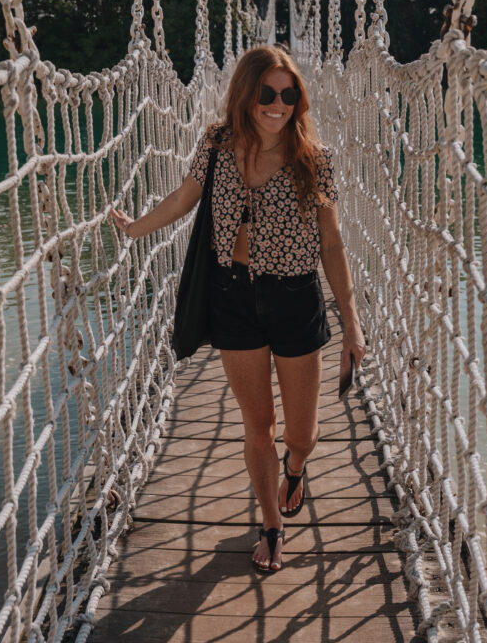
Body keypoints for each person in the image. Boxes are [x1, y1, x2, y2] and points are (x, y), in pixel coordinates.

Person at [110, 46, 366, 573]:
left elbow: (333, 243)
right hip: (233, 296)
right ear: (245, 96)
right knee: (257, 426)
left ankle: (295, 468)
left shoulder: (313, 159)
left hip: (296, 297)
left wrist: (352, 323)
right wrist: (136, 228)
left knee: (303, 434)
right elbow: (186, 197)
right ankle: (270, 526)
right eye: (267, 94)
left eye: (288, 94)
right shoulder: (217, 142)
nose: (278, 105)